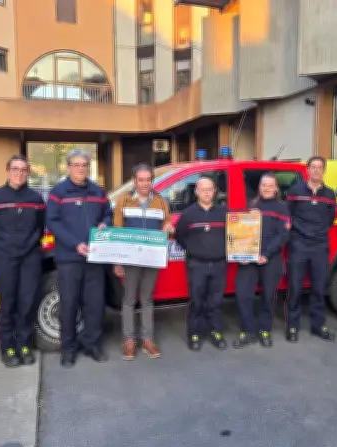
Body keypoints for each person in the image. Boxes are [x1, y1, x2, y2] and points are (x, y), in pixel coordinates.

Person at [46, 149, 113, 367]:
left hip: (95, 257)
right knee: (69, 304)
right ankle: (68, 349)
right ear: (68, 167)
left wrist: (105, 223)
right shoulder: (58, 192)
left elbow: (108, 213)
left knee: (94, 304)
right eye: (76, 165)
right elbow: (53, 222)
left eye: (84, 164)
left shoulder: (98, 191)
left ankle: (93, 344)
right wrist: (76, 244)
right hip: (69, 258)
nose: (81, 168)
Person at [0, 156, 46, 368]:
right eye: (15, 169)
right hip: (4, 259)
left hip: (30, 258)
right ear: (7, 171)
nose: (19, 173)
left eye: (24, 170)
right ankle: (7, 347)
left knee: (27, 303)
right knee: (8, 304)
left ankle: (24, 345)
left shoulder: (36, 199)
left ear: (28, 173)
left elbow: (41, 227)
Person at [112, 163, 175, 361]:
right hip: (130, 259)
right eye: (141, 180)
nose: (145, 183)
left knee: (147, 299)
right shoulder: (124, 200)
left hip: (151, 258)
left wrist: (169, 228)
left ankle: (148, 340)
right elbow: (117, 231)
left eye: (148, 179)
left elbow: (168, 224)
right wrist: (117, 261)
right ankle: (129, 341)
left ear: (152, 181)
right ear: (134, 181)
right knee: (129, 299)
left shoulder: (161, 201)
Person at [233, 173, 290, 349]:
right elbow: (243, 231)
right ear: (259, 187)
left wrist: (266, 254)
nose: (266, 188)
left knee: (267, 297)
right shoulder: (252, 205)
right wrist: (241, 254)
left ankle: (265, 330)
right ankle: (247, 331)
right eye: (263, 185)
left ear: (276, 188)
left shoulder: (282, 208)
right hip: (249, 259)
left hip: (270, 260)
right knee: (243, 295)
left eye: (270, 185)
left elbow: (283, 236)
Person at [285, 155, 337, 343]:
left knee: (318, 288)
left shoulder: (330, 195)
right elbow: (288, 216)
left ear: (324, 170)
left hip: (320, 246)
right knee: (295, 288)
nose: (316, 170)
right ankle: (292, 326)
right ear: (307, 170)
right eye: (313, 167)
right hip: (298, 245)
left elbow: (330, 220)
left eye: (320, 167)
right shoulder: (295, 191)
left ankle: (318, 326)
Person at [174, 176, 229, 351]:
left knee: (216, 301)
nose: (206, 192)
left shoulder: (223, 213)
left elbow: (234, 236)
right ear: (196, 191)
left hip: (219, 264)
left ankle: (215, 333)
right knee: (196, 301)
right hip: (196, 264)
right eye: (203, 189)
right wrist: (194, 250)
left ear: (214, 192)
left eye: (210, 189)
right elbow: (180, 237)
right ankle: (194, 334)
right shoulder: (188, 214)